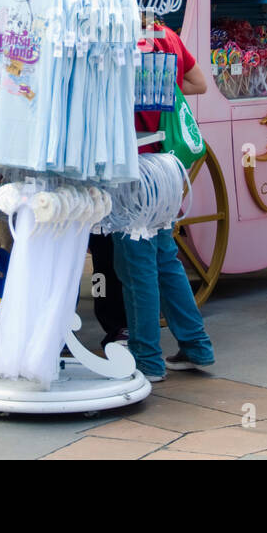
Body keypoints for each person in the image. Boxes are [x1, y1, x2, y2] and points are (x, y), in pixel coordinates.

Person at [108, 19, 213, 382]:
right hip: (167, 167)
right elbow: (198, 83)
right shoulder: (165, 35)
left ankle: (147, 358)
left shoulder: (115, 38)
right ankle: (196, 344)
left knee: (135, 267)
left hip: (135, 166)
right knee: (165, 259)